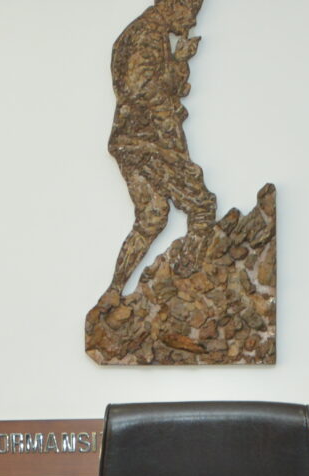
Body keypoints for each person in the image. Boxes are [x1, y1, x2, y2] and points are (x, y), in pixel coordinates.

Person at [102, 0, 215, 297]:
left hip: (129, 142)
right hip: (148, 144)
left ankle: (113, 292)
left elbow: (160, 86)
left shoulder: (149, 33)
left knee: (152, 216)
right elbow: (142, 89)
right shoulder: (147, 34)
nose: (191, 22)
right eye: (190, 12)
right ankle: (187, 288)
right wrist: (174, 143)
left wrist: (179, 60)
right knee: (202, 206)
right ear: (173, 4)